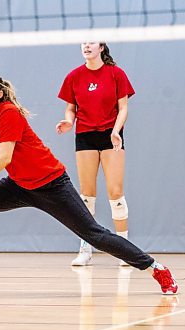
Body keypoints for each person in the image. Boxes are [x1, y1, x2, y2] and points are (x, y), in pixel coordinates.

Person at [0, 73, 178, 296]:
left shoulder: (8, 113)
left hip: (51, 184)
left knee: (94, 234)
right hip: (19, 185)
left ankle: (156, 268)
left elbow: (3, 158)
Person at [56, 42, 134, 266]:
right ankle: (85, 249)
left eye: (91, 42)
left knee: (115, 193)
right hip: (85, 135)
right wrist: (69, 122)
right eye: (83, 43)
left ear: (101, 47)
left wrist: (116, 131)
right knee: (87, 195)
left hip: (111, 136)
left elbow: (124, 107)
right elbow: (71, 108)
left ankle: (125, 251)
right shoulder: (74, 76)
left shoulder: (116, 74)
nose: (86, 46)